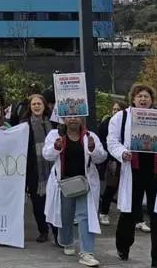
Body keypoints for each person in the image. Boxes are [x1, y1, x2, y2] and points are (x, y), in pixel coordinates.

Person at [108, 84, 157, 268]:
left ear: (151, 100)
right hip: (133, 172)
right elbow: (112, 140)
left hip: (155, 173)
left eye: (146, 96)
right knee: (129, 214)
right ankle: (123, 246)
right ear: (133, 99)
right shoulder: (121, 117)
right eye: (140, 96)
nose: (143, 99)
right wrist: (122, 152)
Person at [43, 116, 107, 267]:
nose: (73, 120)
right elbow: (47, 155)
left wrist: (93, 149)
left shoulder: (90, 136)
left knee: (85, 216)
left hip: (84, 184)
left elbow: (101, 158)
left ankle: (87, 252)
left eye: (76, 116)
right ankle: (66, 241)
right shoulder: (55, 135)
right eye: (69, 117)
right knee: (65, 215)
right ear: (64, 119)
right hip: (64, 183)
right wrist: (56, 147)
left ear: (82, 118)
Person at [21, 94, 56, 244]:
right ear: (30, 107)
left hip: (53, 169)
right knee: (38, 203)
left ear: (44, 106)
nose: (36, 106)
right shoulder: (24, 125)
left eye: (39, 103)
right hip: (34, 170)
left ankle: (57, 231)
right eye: (33, 104)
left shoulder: (54, 124)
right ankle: (43, 230)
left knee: (54, 201)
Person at [97, 100, 125, 226]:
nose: (115, 112)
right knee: (111, 187)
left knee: (128, 189)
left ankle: (137, 218)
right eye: (114, 109)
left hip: (126, 160)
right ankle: (104, 212)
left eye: (118, 109)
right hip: (113, 160)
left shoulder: (127, 124)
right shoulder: (106, 123)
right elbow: (101, 140)